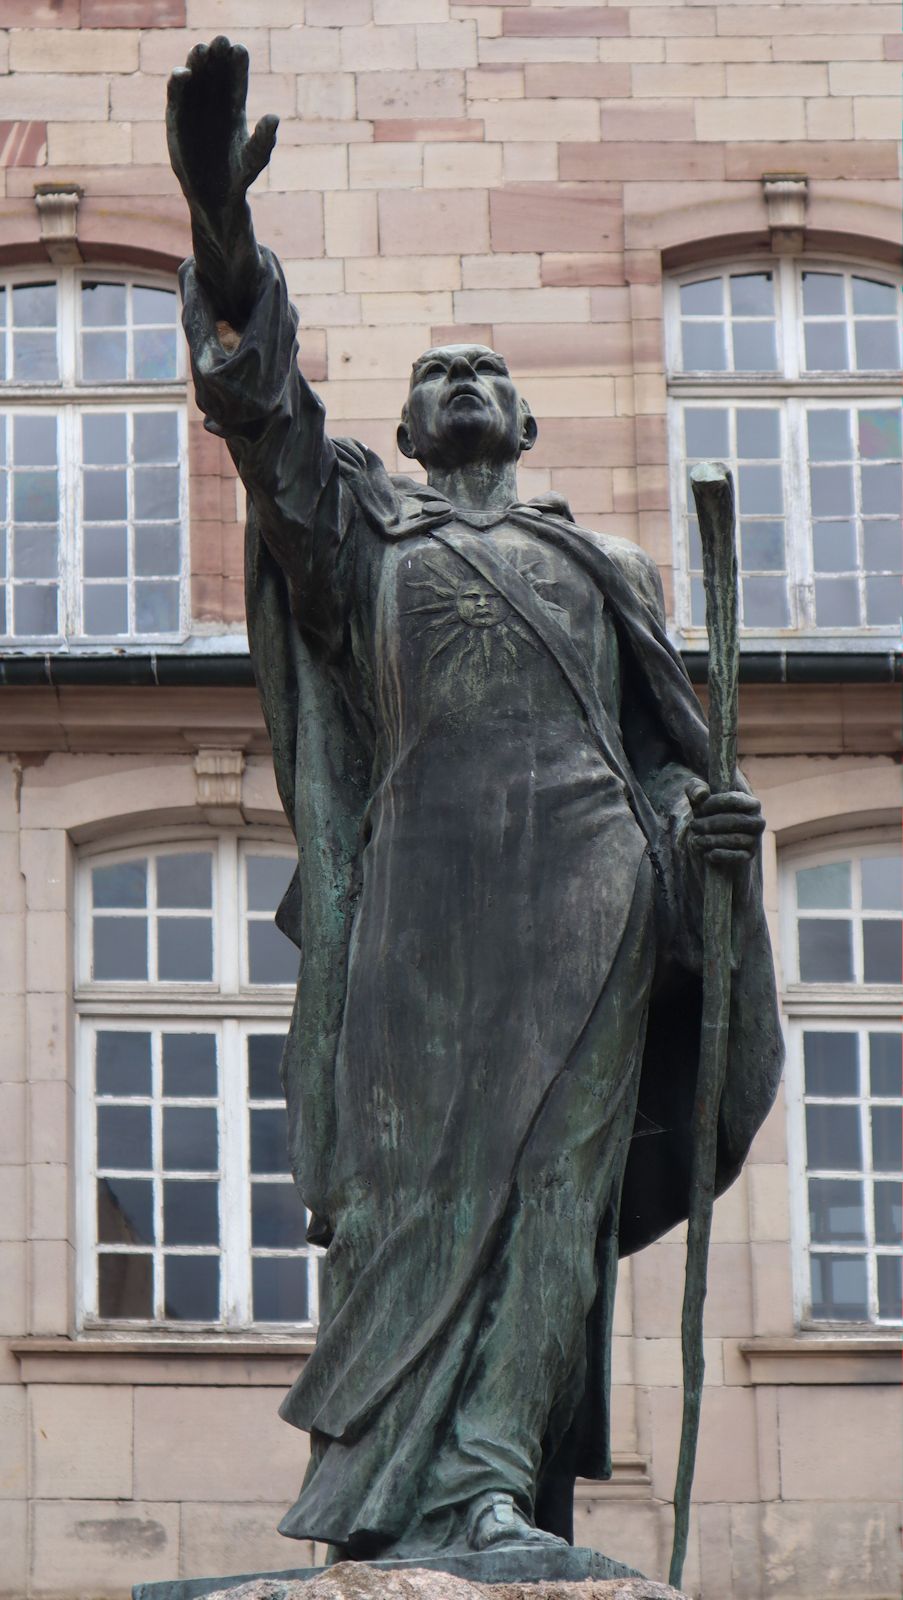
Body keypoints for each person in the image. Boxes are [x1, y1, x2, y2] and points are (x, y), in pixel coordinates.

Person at [167, 38, 783, 1565]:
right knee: (410, 1188)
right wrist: (219, 234)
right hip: (425, 897)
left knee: (553, 1197)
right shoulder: (368, 541)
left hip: (593, 894)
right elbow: (270, 428)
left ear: (521, 425)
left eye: (484, 372)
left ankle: (494, 1481)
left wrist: (710, 841)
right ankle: (395, 1492)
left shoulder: (604, 568)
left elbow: (671, 752)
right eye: (434, 370)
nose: (457, 380)